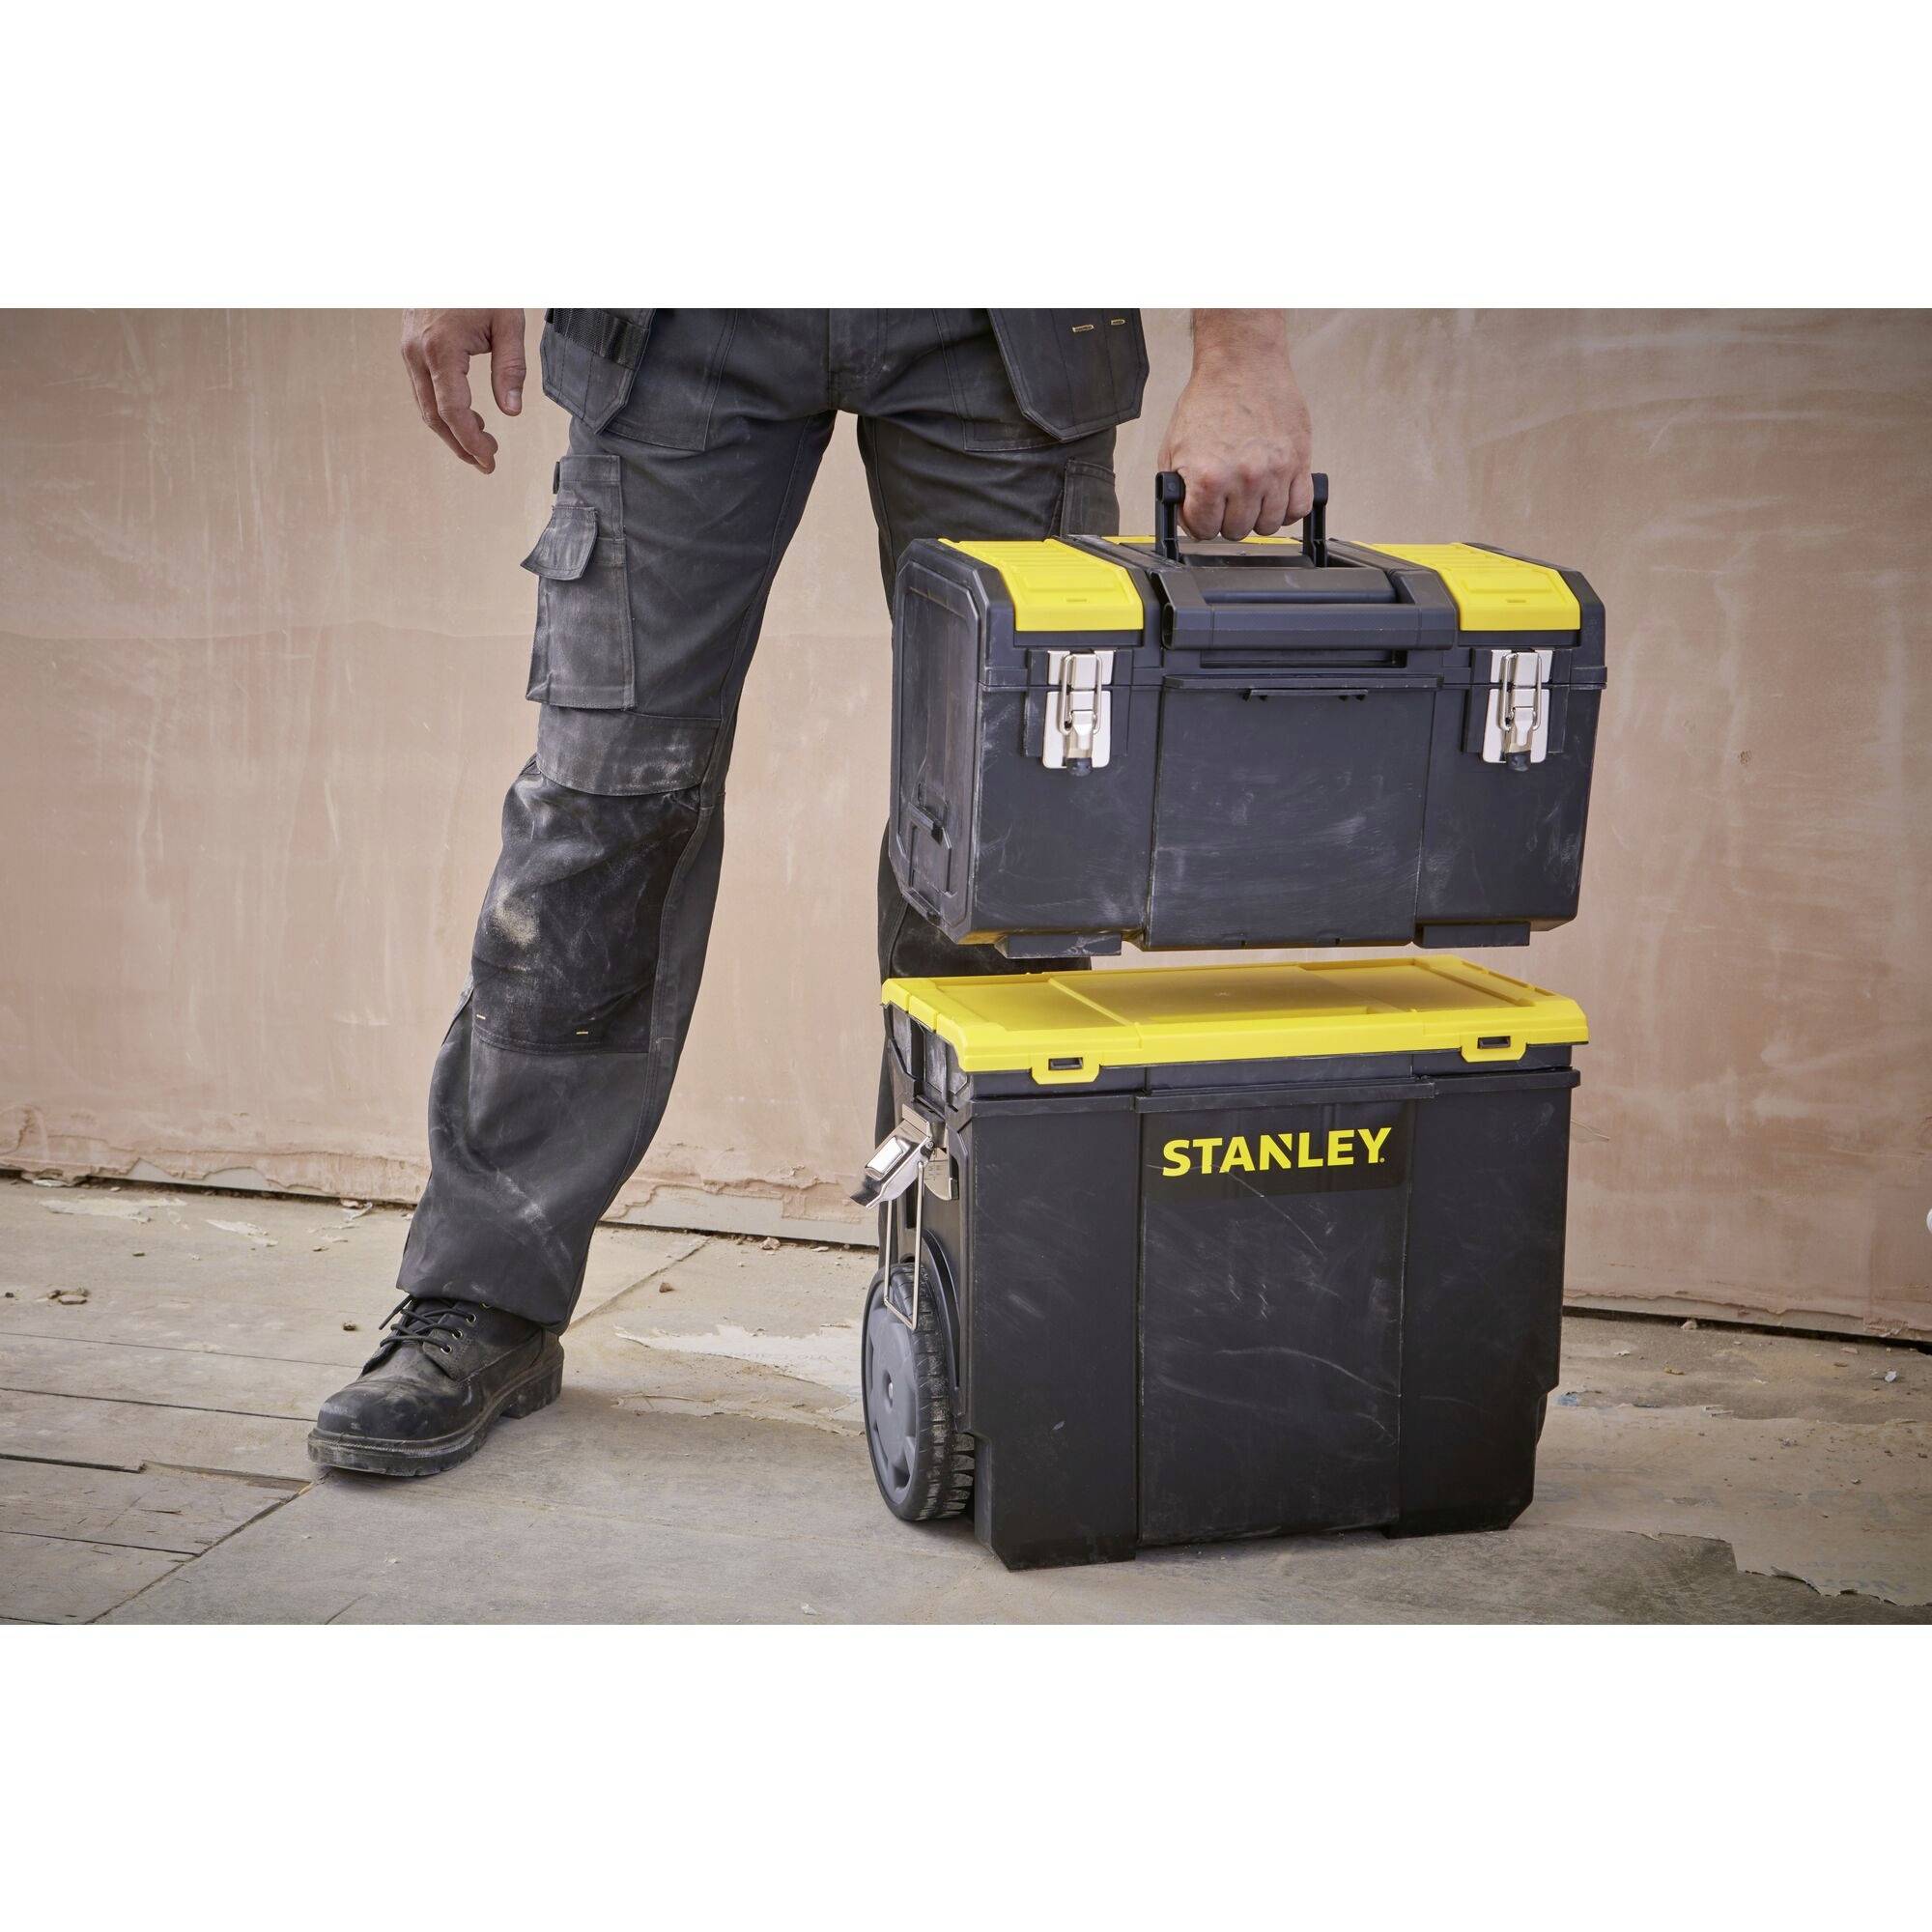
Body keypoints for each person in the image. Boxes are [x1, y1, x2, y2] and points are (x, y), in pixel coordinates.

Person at [308, 308, 1316, 1477]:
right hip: (681, 303)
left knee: (1002, 835)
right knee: (603, 801)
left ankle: (978, 1308)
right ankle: (483, 1294)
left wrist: (1243, 351)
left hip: (1005, 315)